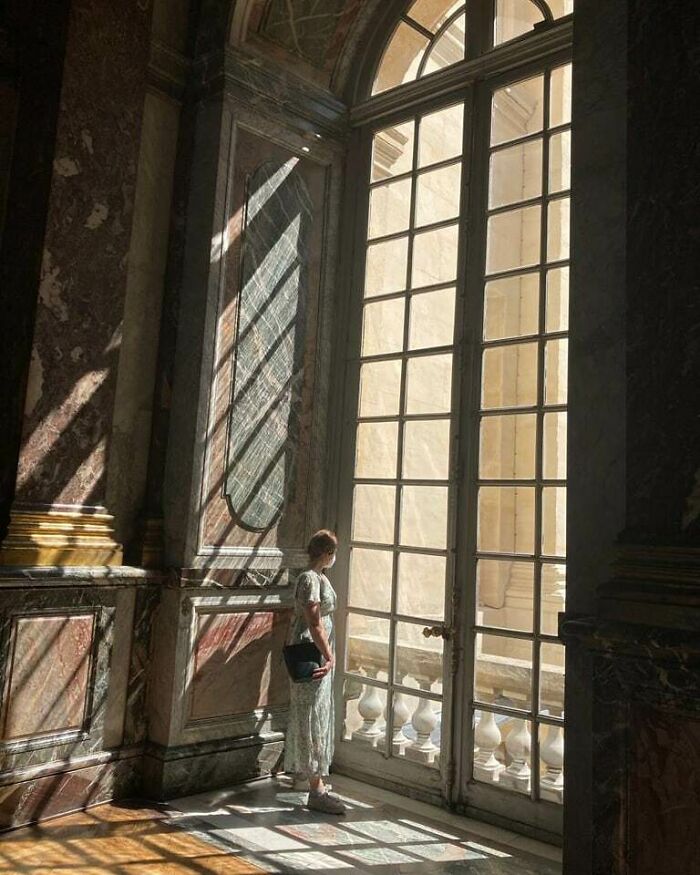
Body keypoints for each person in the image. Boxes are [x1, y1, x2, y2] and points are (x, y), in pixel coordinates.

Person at [284, 529, 346, 815]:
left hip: (316, 649)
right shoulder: (310, 578)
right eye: (334, 552)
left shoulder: (318, 577)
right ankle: (316, 790)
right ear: (328, 553)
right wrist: (329, 656)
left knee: (314, 714)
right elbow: (314, 621)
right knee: (311, 718)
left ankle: (309, 776)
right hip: (313, 652)